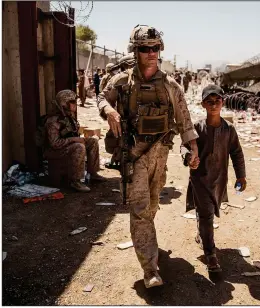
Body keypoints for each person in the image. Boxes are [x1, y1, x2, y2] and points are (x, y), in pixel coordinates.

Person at [97, 24, 199, 288]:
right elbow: (101, 98)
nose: (151, 53)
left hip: (160, 155)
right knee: (141, 209)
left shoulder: (171, 86)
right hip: (134, 155)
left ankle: (148, 245)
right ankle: (150, 269)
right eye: (145, 48)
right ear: (136, 50)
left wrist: (192, 150)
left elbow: (185, 122)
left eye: (155, 48)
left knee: (153, 205)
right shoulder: (122, 82)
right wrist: (109, 110)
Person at [181, 84, 246, 272]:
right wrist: (188, 157)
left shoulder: (229, 129)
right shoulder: (197, 128)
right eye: (209, 101)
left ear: (223, 102)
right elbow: (184, 146)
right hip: (200, 179)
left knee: (206, 213)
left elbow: (237, 153)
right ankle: (211, 255)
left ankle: (202, 235)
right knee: (207, 214)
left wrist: (241, 176)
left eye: (217, 101)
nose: (214, 105)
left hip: (219, 180)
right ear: (203, 104)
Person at [44, 90, 105, 192]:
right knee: (79, 147)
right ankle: (75, 181)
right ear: (64, 103)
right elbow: (54, 144)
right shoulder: (54, 121)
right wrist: (73, 140)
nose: (75, 105)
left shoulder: (69, 117)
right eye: (72, 102)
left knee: (92, 142)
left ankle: (93, 173)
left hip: (67, 146)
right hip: (54, 152)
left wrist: (79, 139)